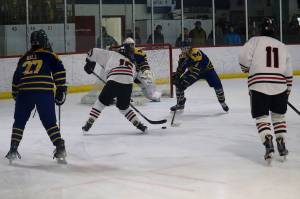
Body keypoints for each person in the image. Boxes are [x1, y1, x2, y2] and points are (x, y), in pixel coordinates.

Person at [5, 29, 67, 163]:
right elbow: (59, 70)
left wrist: (17, 95)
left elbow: (16, 79)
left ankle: (13, 149)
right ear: (44, 41)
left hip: (24, 92)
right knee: (50, 123)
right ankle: (60, 147)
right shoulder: (49, 55)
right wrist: (61, 88)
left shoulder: (23, 58)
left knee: (19, 122)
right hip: (43, 92)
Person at [238, 17, 293, 162]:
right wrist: (288, 88)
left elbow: (243, 59)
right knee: (278, 116)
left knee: (262, 116)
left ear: (260, 29)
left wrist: (247, 69)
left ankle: (268, 141)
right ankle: (281, 142)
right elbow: (288, 70)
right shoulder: (282, 45)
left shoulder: (254, 41)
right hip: (280, 85)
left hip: (259, 84)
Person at [81, 40, 148, 134]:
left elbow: (92, 51)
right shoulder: (132, 64)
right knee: (123, 107)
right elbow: (132, 78)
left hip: (113, 81)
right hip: (128, 84)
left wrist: (89, 64)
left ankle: (89, 123)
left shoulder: (111, 54)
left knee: (100, 103)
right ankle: (139, 124)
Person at [170, 41, 229, 112]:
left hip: (208, 71)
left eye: (186, 48)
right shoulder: (182, 56)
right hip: (194, 71)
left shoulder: (196, 53)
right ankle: (180, 104)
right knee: (179, 83)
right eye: (183, 48)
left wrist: (185, 83)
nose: (185, 50)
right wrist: (177, 75)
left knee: (217, 85)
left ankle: (222, 102)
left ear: (190, 47)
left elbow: (196, 72)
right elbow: (181, 68)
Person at [122, 37, 161, 102]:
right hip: (126, 72)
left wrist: (146, 71)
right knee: (125, 82)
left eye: (132, 45)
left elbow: (144, 63)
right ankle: (124, 97)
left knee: (148, 81)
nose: (131, 47)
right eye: (129, 46)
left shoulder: (139, 52)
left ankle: (154, 95)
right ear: (125, 46)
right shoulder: (121, 52)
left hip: (137, 71)